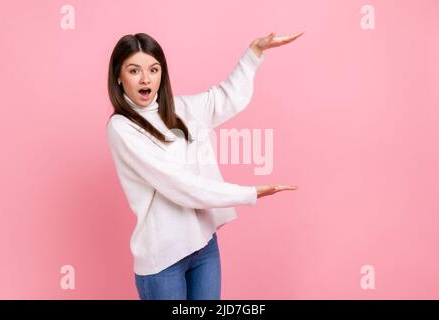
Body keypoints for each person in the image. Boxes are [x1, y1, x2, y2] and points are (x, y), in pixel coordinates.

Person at [106, 31, 304, 300]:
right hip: (163, 261)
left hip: (204, 247)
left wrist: (253, 53)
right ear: (119, 76)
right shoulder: (122, 128)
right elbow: (179, 185)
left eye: (153, 69)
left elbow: (225, 98)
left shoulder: (180, 109)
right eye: (134, 70)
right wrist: (248, 192)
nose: (145, 78)